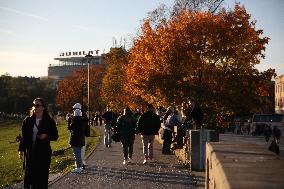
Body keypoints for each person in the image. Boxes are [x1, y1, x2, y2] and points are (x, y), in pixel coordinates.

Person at [18, 97, 59, 189]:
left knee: (41, 177)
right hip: (30, 153)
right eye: (33, 105)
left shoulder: (49, 121)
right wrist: (21, 149)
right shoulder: (27, 121)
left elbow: (55, 136)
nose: (35, 107)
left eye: (37, 105)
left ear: (43, 107)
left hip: (43, 153)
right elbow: (23, 137)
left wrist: (46, 136)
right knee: (30, 177)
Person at [68, 103, 88, 173]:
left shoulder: (75, 121)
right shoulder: (83, 119)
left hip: (76, 139)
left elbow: (70, 127)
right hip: (81, 137)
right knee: (80, 152)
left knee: (78, 153)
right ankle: (80, 164)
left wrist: (71, 119)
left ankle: (79, 166)